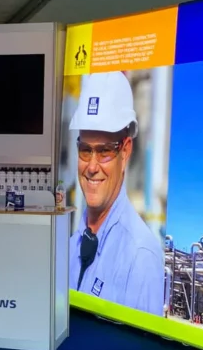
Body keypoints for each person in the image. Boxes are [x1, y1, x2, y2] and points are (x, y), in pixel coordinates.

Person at [67, 71, 165, 316]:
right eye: (85, 150)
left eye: (105, 152)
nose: (92, 167)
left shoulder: (141, 258)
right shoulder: (70, 246)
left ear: (126, 150)